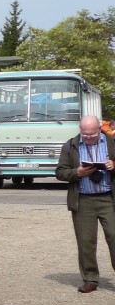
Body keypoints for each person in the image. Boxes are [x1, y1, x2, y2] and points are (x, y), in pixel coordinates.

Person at [55, 115, 115, 293]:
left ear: (100, 129)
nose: (88, 137)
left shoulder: (111, 142)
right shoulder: (70, 145)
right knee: (86, 241)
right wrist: (77, 172)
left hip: (108, 199)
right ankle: (90, 279)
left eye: (92, 134)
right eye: (84, 134)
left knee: (114, 237)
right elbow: (60, 172)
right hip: (83, 199)